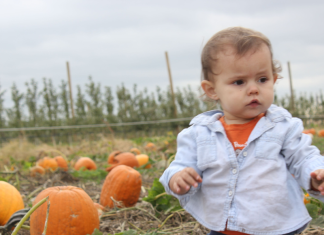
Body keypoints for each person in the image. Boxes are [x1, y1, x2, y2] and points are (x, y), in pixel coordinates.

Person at [159, 27, 324, 235]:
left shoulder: (283, 127)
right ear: (212, 90)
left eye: (262, 79)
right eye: (239, 82)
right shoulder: (199, 134)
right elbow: (181, 165)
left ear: (274, 79)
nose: (254, 89)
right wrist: (177, 178)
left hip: (275, 227)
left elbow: (303, 158)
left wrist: (315, 174)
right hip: (221, 228)